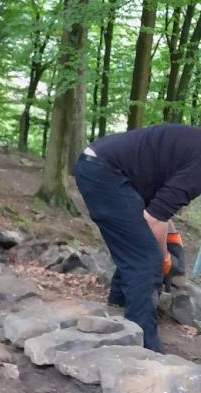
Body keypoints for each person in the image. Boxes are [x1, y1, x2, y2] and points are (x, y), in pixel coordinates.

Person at [74, 124, 201, 353]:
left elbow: (161, 208)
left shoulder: (193, 148)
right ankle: (142, 347)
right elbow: (154, 219)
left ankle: (117, 306)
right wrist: (163, 258)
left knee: (138, 248)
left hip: (105, 166)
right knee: (146, 260)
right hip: (103, 172)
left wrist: (171, 239)